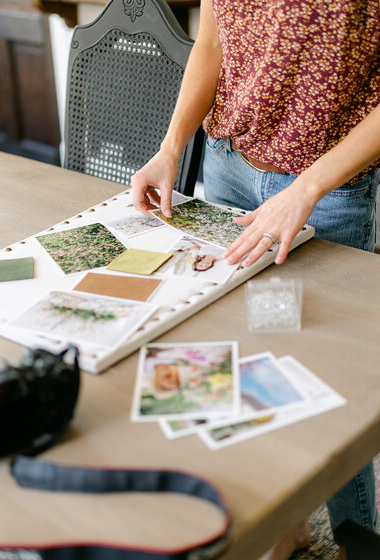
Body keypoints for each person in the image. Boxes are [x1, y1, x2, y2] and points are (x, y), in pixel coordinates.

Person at [131, 1, 380, 558]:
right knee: (235, 354)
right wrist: (171, 148)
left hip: (328, 185)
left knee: (331, 369)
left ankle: (355, 540)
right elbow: (213, 42)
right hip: (228, 163)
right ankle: (284, 524)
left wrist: (308, 188)